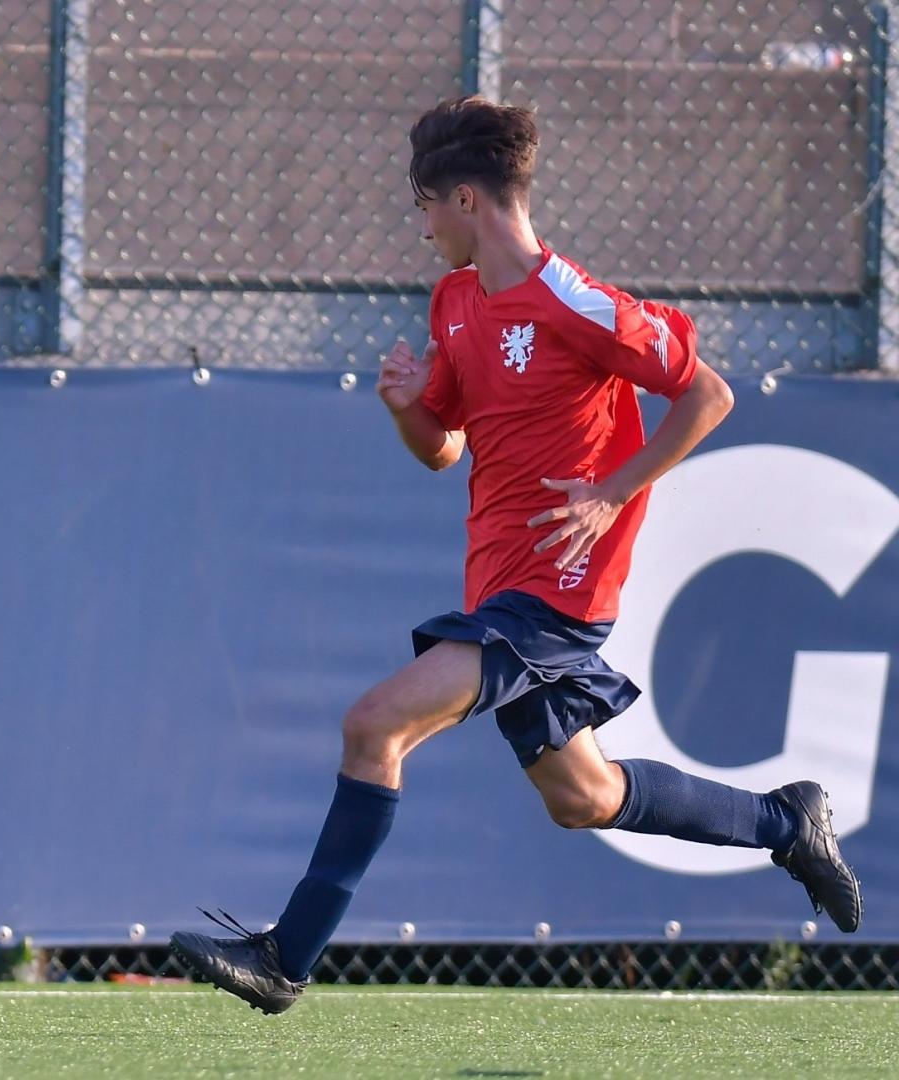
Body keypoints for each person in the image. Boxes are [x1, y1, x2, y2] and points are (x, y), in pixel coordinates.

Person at [169, 95, 860, 1014]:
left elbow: (709, 395)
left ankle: (285, 958)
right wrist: (408, 407)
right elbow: (444, 448)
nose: (421, 229)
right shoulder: (455, 301)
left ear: (466, 200)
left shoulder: (576, 303)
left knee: (374, 726)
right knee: (583, 797)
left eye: (424, 206)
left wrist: (614, 490)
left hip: (556, 594)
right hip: (500, 588)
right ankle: (785, 821)